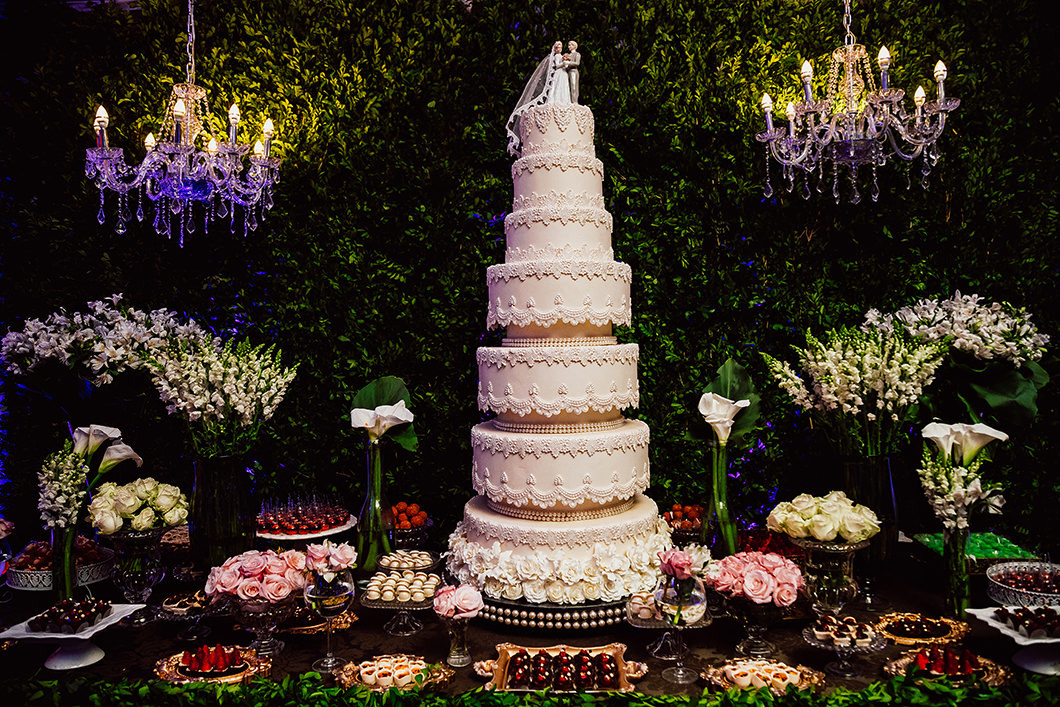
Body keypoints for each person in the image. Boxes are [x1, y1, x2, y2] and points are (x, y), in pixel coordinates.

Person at [504, 42, 571, 155]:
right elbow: (557, 66)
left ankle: (563, 101)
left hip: (563, 74)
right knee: (556, 88)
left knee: (563, 88)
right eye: (558, 47)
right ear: (555, 48)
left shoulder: (560, 55)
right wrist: (564, 63)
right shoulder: (556, 56)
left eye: (560, 47)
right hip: (559, 73)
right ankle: (555, 101)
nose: (559, 49)